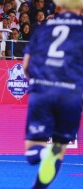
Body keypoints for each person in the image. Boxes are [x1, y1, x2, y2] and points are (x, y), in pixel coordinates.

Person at [22, 0, 83, 188]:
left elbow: (26, 66)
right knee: (58, 149)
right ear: (81, 9)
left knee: (33, 150)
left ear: (57, 8)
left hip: (43, 91)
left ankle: (41, 152)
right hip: (71, 95)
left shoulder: (43, 28)